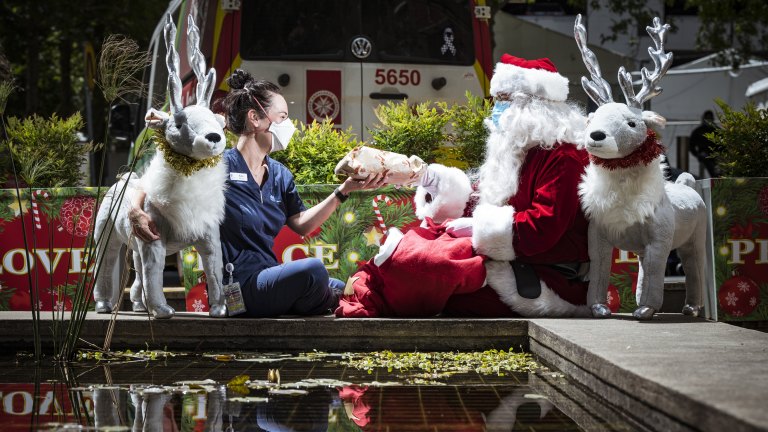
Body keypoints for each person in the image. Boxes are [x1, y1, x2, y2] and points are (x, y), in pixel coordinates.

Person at [337, 54, 590, 317]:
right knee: (415, 247)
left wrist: (475, 228)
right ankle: (368, 288)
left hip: (545, 277)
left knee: (421, 268)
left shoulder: (564, 155)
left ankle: (369, 292)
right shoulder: (519, 147)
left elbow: (543, 228)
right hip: (506, 258)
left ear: (535, 107)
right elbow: (481, 199)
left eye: (504, 101)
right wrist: (428, 178)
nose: (497, 110)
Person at [131, 69, 385, 317]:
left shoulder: (279, 174)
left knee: (345, 284)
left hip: (268, 277)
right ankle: (327, 301)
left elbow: (302, 225)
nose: (289, 125)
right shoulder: (217, 165)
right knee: (315, 271)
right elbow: (150, 181)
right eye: (283, 117)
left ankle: (325, 300)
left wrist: (344, 190)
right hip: (236, 288)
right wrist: (136, 211)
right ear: (255, 117)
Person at [689, 110, 720, 177]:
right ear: (704, 119)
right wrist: (697, 154)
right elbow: (691, 145)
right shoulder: (698, 131)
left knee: (719, 167)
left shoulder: (717, 130)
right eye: (707, 118)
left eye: (710, 118)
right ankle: (715, 176)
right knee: (709, 164)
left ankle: (717, 177)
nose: (708, 120)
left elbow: (723, 144)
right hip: (704, 154)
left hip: (716, 155)